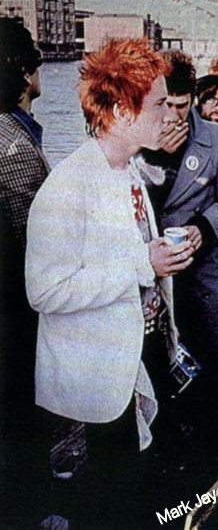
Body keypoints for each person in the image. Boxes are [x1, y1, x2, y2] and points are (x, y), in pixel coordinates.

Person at [25, 38, 194, 529]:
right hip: (100, 376)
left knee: (135, 481)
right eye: (159, 103)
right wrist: (144, 265)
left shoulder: (128, 173)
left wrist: (159, 263)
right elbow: (44, 291)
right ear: (122, 110)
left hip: (133, 358)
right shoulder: (67, 187)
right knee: (115, 494)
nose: (169, 113)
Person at [137, 49, 218, 451]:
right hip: (150, 279)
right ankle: (166, 448)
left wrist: (204, 227)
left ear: (193, 99)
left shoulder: (214, 138)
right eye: (164, 105)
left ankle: (216, 450)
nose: (171, 117)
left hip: (200, 274)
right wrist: (151, 155)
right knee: (156, 370)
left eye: (181, 106)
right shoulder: (136, 139)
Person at [0, 18, 50, 528]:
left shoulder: (18, 133)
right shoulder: (12, 146)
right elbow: (33, 232)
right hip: (16, 302)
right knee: (19, 404)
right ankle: (28, 507)